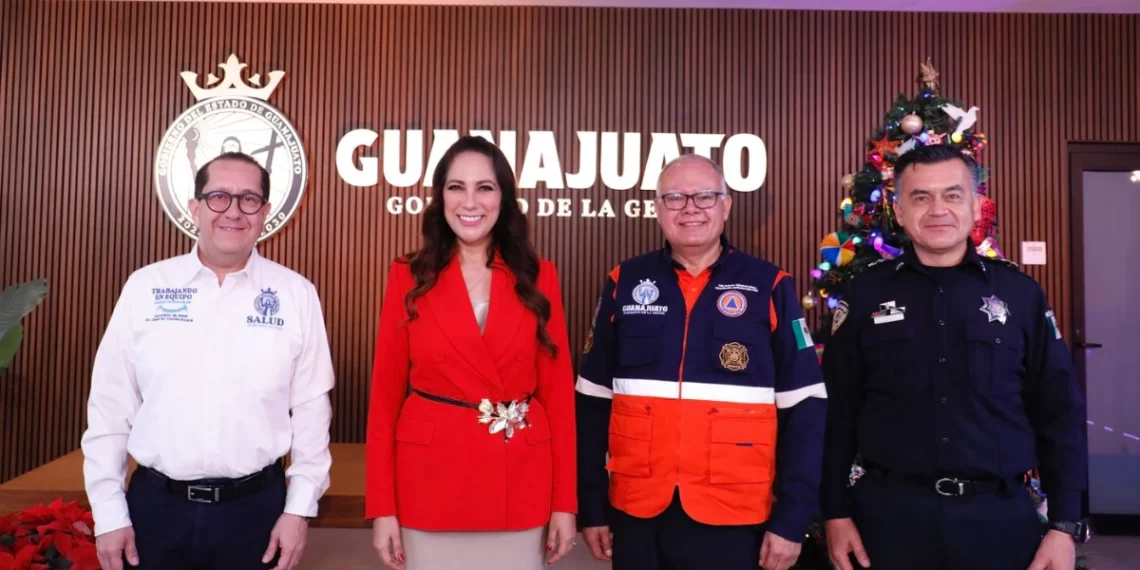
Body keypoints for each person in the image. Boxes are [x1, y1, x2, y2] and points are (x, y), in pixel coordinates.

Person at [820, 143, 1089, 570]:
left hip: (998, 523)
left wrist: (1064, 525)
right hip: (888, 521)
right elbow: (835, 412)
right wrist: (834, 510)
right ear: (899, 211)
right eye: (920, 197)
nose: (937, 210)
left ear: (976, 206)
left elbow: (1060, 413)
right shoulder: (865, 294)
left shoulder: (1021, 296)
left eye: (952, 194)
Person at [81, 151, 335, 570]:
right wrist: (108, 513)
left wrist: (299, 509)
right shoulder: (146, 287)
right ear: (195, 208)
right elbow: (110, 407)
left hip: (257, 515)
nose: (233, 211)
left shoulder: (296, 294)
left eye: (248, 199)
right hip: (154, 513)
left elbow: (312, 411)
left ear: (265, 212)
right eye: (218, 196)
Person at [575, 153, 828, 570]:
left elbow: (805, 407)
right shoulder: (625, 281)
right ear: (657, 209)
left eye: (705, 197)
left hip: (734, 511)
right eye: (675, 197)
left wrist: (793, 517)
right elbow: (591, 400)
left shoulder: (770, 284)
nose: (690, 208)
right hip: (638, 508)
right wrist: (591, 506)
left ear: (726, 205)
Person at [366, 135, 578, 570]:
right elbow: (384, 398)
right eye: (456, 187)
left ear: (504, 198)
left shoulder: (540, 277)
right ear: (440, 197)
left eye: (484, 187)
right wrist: (382, 507)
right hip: (429, 480)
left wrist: (565, 503)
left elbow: (558, 399)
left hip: (518, 477)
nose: (470, 201)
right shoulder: (408, 276)